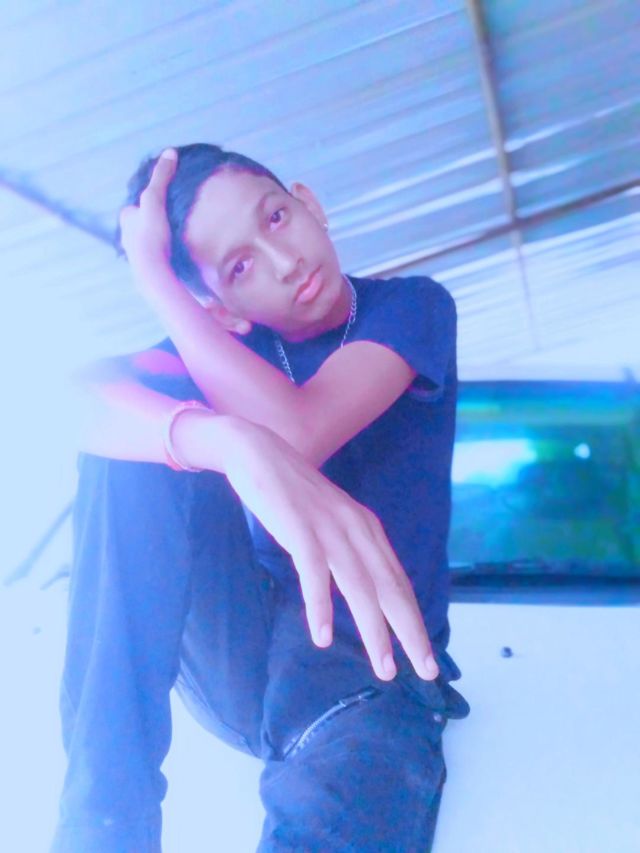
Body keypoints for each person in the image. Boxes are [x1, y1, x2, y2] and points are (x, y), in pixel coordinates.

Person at [51, 143, 470, 852]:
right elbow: (60, 404)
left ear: (310, 203)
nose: (284, 261)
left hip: (370, 668)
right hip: (241, 658)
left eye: (275, 217)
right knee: (131, 444)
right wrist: (221, 437)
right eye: (240, 267)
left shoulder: (409, 307)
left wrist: (251, 439)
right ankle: (102, 828)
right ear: (220, 308)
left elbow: (300, 429)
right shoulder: (211, 351)